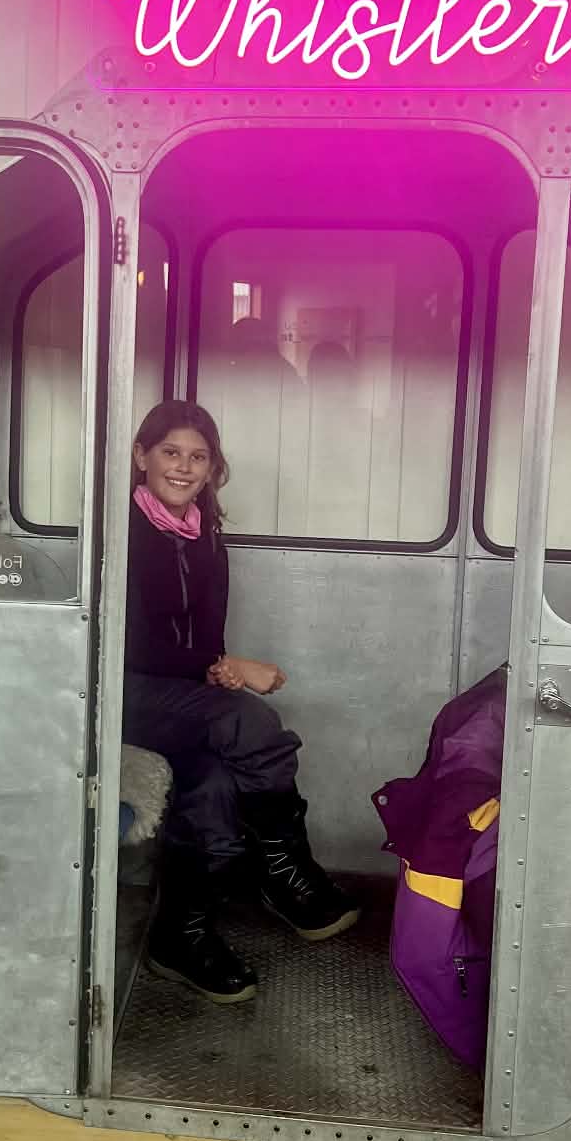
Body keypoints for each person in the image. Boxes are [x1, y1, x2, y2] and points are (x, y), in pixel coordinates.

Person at [123, 399, 360, 1003]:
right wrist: (229, 672)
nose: (183, 467)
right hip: (123, 690)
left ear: (212, 468)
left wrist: (220, 670)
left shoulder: (204, 535)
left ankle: (181, 935)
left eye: (197, 457)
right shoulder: (121, 532)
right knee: (253, 722)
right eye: (170, 452)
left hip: (181, 694)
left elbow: (206, 637)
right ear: (141, 457)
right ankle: (283, 871)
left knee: (215, 780)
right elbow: (130, 644)